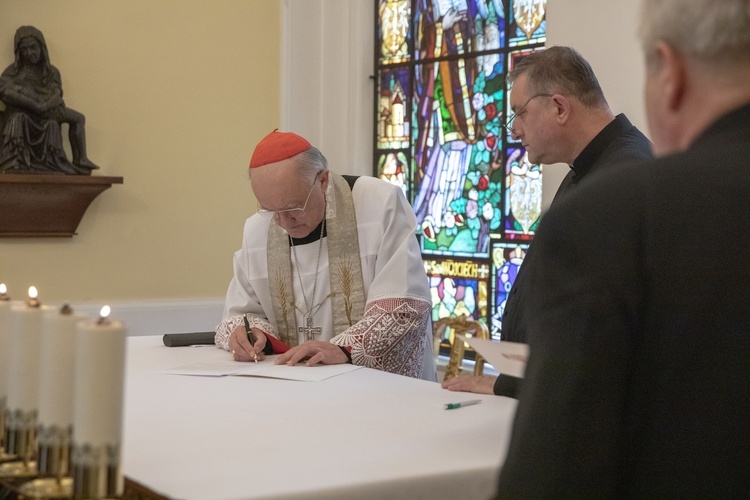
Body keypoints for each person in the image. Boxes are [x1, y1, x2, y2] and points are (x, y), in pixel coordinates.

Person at [497, 0, 750, 496]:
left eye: (519, 115)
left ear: (671, 73)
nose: (515, 130)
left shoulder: (618, 210)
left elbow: (558, 463)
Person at [442, 46, 652, 398]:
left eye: (519, 114)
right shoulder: (589, 169)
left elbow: (598, 326)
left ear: (559, 107)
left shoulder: (623, 176)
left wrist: (509, 385)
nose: (515, 131)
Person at [215, 130, 436, 381]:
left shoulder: (379, 204)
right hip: (292, 387)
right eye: (270, 210)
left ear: (322, 180)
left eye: (292, 208)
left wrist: (343, 348)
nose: (282, 222)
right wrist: (251, 333)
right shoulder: (258, 227)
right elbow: (241, 313)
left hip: (372, 388)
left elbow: (403, 307)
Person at [0, 26, 98, 174]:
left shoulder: (51, 72)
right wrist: (34, 105)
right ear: (19, 52)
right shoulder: (12, 72)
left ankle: (81, 159)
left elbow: (56, 94)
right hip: (25, 111)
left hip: (48, 110)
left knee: (78, 118)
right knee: (20, 117)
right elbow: (6, 93)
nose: (29, 53)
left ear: (42, 47)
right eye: (24, 50)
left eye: (33, 48)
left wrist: (44, 105)